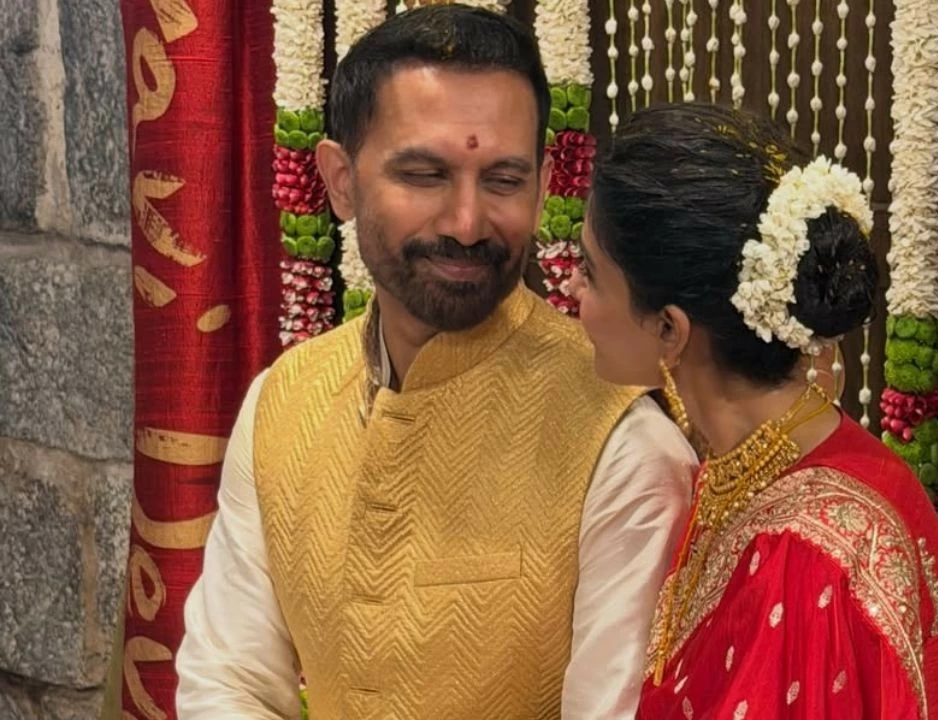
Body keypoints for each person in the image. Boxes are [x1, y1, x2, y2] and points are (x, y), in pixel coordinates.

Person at [174, 7, 697, 719]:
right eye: (424, 174)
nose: (465, 222)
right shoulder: (282, 403)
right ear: (339, 180)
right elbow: (226, 680)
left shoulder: (624, 445)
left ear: (545, 183)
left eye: (504, 180)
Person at [566, 102, 938, 719]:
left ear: (671, 331)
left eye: (590, 274)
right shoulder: (753, 465)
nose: (572, 292)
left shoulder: (809, 548)